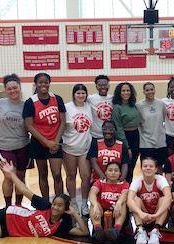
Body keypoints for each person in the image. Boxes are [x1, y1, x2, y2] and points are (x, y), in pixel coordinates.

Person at [23, 73, 66, 198]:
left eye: (46, 82)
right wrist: (46, 142)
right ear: (36, 84)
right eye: (40, 82)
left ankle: (60, 203)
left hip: (56, 140)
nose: (43, 85)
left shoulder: (57, 99)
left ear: (49, 83)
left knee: (57, 175)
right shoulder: (30, 102)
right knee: (43, 174)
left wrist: (56, 142)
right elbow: (29, 126)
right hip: (39, 142)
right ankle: (45, 204)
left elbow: (62, 121)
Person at [0, 74, 30, 207]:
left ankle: (19, 205)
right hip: (4, 147)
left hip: (23, 146)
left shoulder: (26, 105)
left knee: (20, 177)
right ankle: (8, 207)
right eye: (9, 89)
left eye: (15, 87)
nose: (12, 91)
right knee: (9, 177)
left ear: (19, 87)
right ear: (5, 90)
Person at [62, 84, 93, 216]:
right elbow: (61, 126)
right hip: (69, 148)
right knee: (71, 175)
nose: (81, 96)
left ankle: (85, 203)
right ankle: (73, 202)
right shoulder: (67, 107)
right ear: (74, 94)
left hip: (85, 148)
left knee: (86, 177)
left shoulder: (89, 107)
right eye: (78, 93)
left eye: (83, 93)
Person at [127, 157, 172, 244]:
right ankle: (140, 230)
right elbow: (129, 200)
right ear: (141, 168)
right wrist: (141, 213)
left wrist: (157, 214)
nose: (148, 168)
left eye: (151, 166)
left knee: (164, 199)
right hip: (143, 216)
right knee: (135, 199)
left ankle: (155, 231)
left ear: (156, 169)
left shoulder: (160, 179)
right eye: (145, 166)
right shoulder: (137, 181)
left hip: (158, 216)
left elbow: (169, 197)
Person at [89, 162, 129, 244]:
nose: (113, 173)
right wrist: (96, 204)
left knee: (123, 204)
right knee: (94, 203)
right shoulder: (100, 182)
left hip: (117, 213)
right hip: (101, 213)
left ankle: (116, 231)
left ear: (120, 173)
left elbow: (125, 194)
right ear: (105, 172)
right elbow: (92, 193)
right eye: (110, 170)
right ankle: (98, 230)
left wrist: (118, 203)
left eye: (116, 170)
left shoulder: (124, 183)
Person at [112, 82, 141, 181]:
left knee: (132, 165)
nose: (126, 93)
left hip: (135, 136)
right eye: (123, 91)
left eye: (128, 90)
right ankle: (121, 189)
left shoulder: (134, 105)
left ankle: (129, 189)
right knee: (125, 165)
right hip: (124, 137)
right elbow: (118, 127)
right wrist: (126, 146)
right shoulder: (117, 107)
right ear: (119, 93)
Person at [136, 82, 167, 171]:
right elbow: (138, 123)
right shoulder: (139, 106)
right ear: (143, 92)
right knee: (147, 170)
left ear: (154, 90)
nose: (150, 92)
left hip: (160, 142)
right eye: (147, 90)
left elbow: (164, 119)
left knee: (160, 170)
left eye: (151, 89)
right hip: (146, 143)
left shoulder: (161, 104)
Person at [87, 75, 113, 139]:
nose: (103, 87)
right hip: (95, 135)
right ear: (96, 86)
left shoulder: (113, 98)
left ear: (109, 85)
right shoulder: (90, 98)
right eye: (100, 85)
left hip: (110, 135)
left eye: (105, 84)